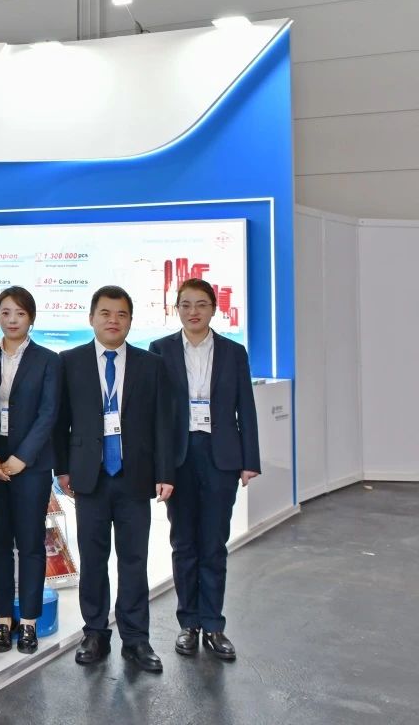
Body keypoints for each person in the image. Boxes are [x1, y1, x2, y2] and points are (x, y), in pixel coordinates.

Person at [55, 285, 174, 673]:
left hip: (134, 476)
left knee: (134, 559)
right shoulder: (69, 362)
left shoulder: (150, 365)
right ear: (91, 318)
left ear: (130, 321)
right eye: (105, 313)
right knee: (92, 559)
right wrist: (63, 469)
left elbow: (162, 424)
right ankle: (95, 632)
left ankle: (136, 638)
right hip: (89, 477)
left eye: (121, 314)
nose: (113, 320)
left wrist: (165, 473)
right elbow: (60, 422)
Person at [150, 278, 260, 661]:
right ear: (176, 309)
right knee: (183, 543)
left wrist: (249, 461)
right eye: (185, 304)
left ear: (214, 308)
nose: (193, 311)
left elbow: (246, 407)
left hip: (220, 456)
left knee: (213, 544)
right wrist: (159, 466)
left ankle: (213, 624)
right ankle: (188, 623)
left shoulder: (233, 352)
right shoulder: (160, 350)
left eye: (200, 304)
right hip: (179, 458)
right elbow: (156, 415)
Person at [0, 286, 60, 655]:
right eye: (5, 312)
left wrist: (23, 458)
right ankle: (3, 621)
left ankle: (28, 621)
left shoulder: (48, 360)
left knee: (30, 544)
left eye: (19, 313)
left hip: (31, 466)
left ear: (31, 318)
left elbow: (49, 414)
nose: (12, 319)